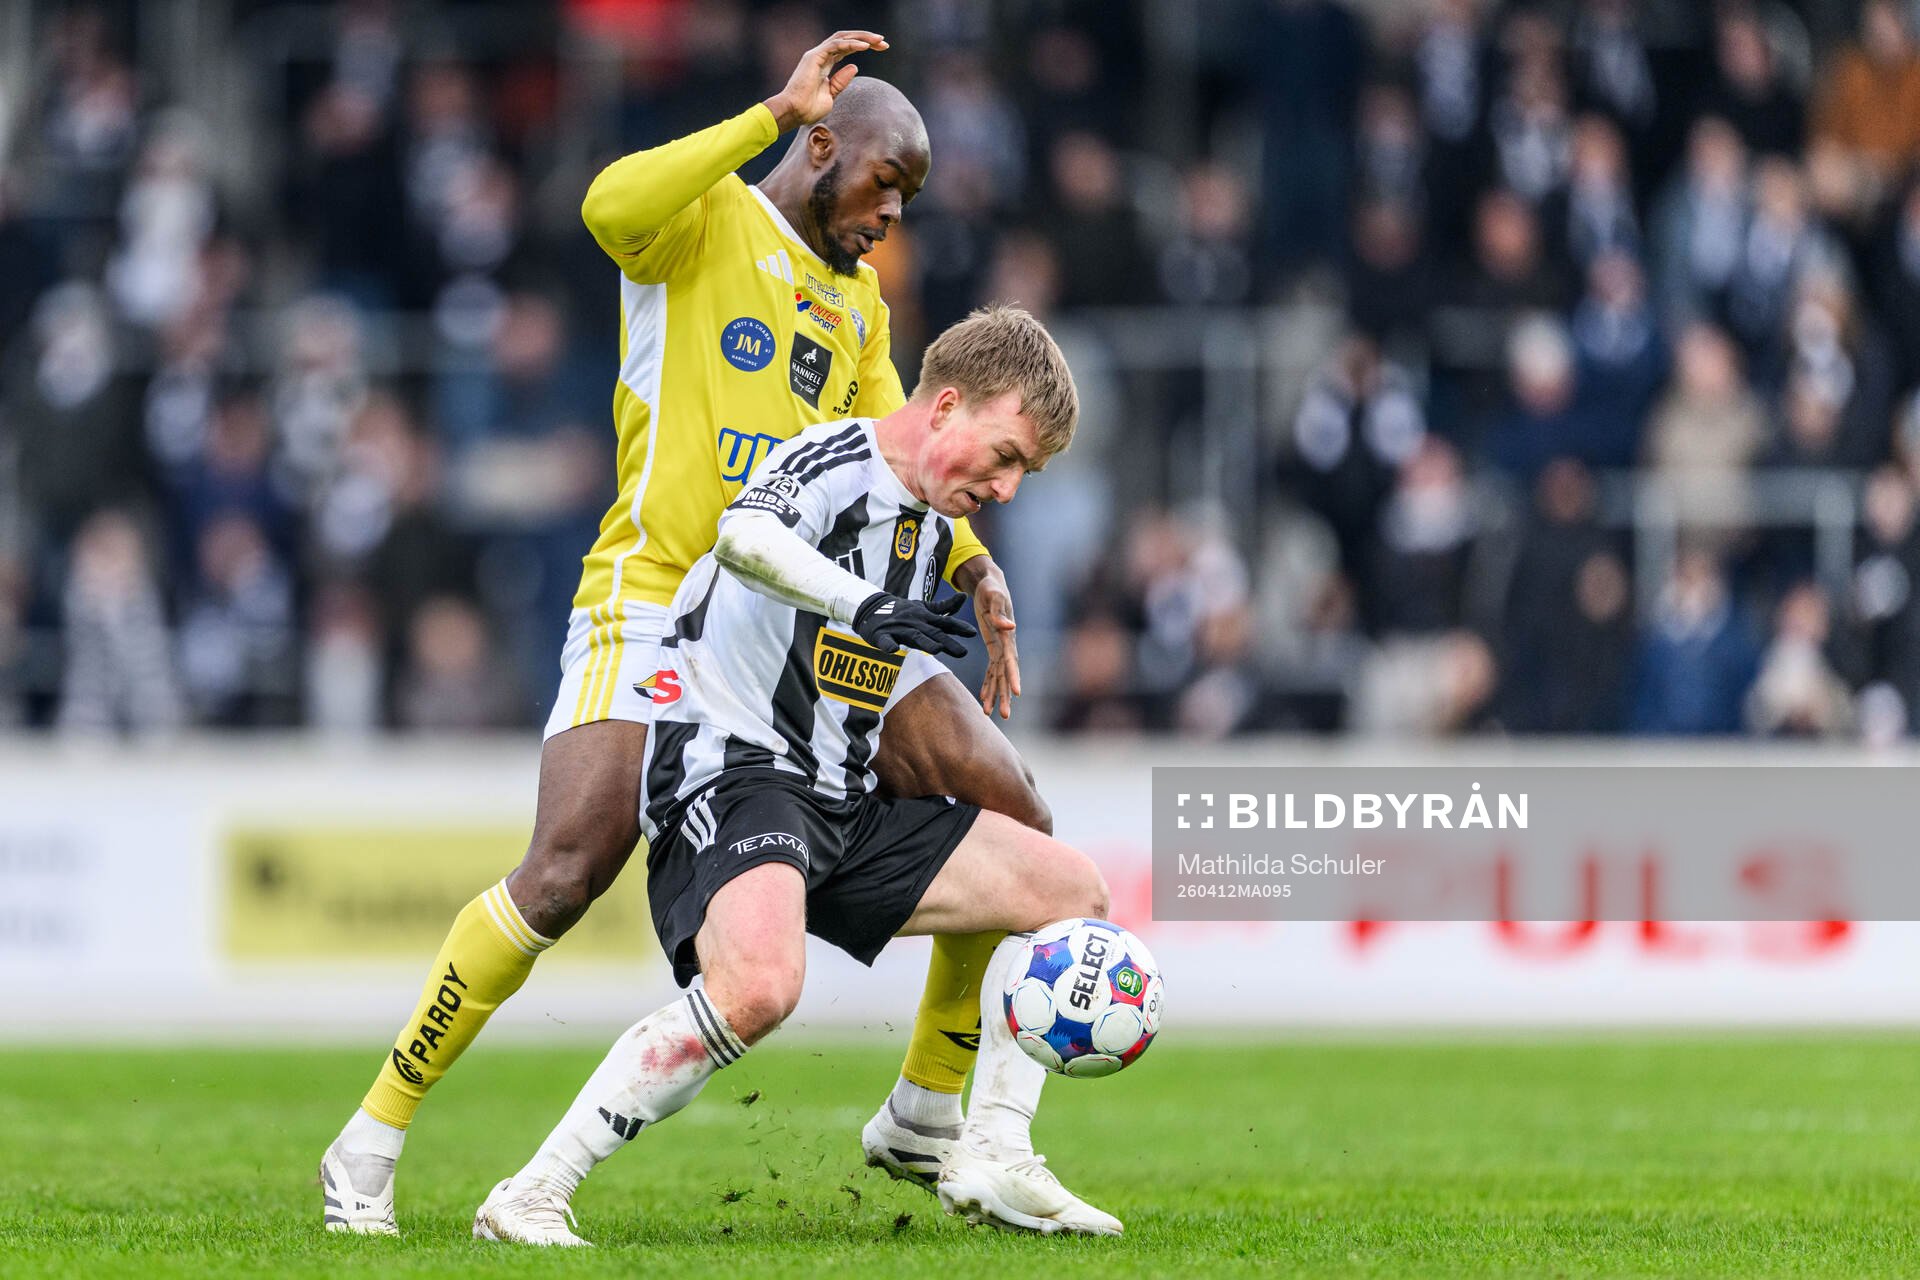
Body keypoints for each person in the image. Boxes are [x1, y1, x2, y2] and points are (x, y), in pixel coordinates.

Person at [320, 32, 1052, 1235]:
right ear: (825, 146)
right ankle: (373, 1131)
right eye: (885, 185)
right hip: (660, 592)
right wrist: (770, 111)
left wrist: (972, 561)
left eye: (909, 200)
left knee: (1003, 791)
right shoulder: (700, 220)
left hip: (799, 618)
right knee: (568, 866)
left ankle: (929, 1110)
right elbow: (606, 204)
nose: (892, 217)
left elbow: (907, 445)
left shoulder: (859, 302)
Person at [474, 306, 1121, 1243]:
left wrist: (974, 581)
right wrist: (864, 604)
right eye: (1007, 455)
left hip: (842, 798)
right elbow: (744, 537)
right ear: (947, 406)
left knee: (1070, 892)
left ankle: (978, 1142)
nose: (1009, 488)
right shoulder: (831, 459)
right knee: (760, 990)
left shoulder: (932, 522)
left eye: (1027, 473)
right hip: (733, 776)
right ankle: (532, 1191)